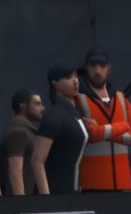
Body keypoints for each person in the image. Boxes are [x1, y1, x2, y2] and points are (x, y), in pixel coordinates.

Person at [76, 49, 131, 192]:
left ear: (108, 68)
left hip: (122, 181)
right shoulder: (79, 99)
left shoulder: (120, 98)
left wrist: (105, 131)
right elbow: (92, 135)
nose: (97, 71)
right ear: (86, 68)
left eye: (102, 65)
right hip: (92, 183)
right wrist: (124, 126)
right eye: (93, 65)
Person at [34, 62, 90, 195]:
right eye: (68, 77)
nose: (75, 81)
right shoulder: (55, 115)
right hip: (56, 192)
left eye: (76, 76)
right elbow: (37, 160)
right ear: (55, 83)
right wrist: (46, 197)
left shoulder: (75, 114)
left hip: (72, 191)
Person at [0, 90, 46, 195]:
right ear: (23, 107)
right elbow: (15, 170)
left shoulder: (26, 130)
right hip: (22, 199)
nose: (42, 108)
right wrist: (21, 201)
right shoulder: (17, 131)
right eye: (37, 104)